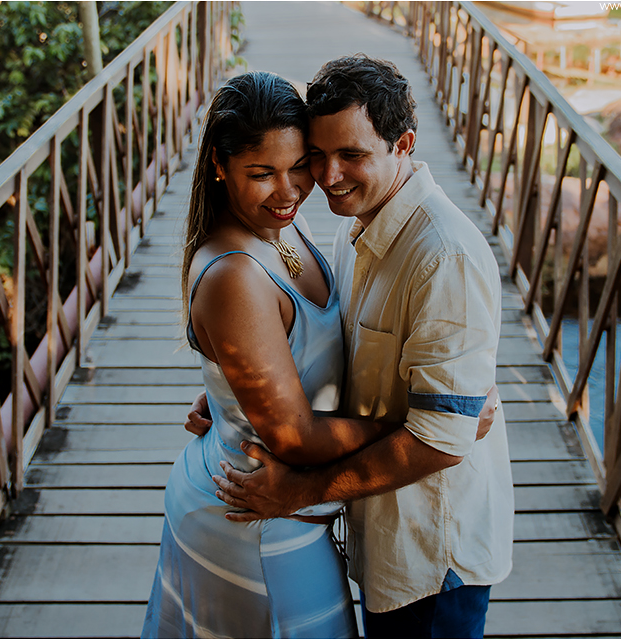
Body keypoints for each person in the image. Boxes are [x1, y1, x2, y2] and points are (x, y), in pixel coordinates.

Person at [212, 55, 514, 639]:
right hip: (379, 530)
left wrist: (300, 492)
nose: (328, 176)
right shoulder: (357, 225)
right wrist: (235, 388)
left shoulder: (443, 258)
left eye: (351, 154)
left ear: (403, 145)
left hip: (431, 556)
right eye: (317, 155)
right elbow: (341, 348)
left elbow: (443, 439)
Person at [141, 70, 424, 639]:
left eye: (300, 165)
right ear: (219, 165)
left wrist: (227, 390)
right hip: (253, 516)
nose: (289, 190)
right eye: (261, 173)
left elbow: (289, 350)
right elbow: (294, 437)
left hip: (283, 507)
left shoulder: (284, 225)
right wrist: (423, 426)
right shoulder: (235, 276)